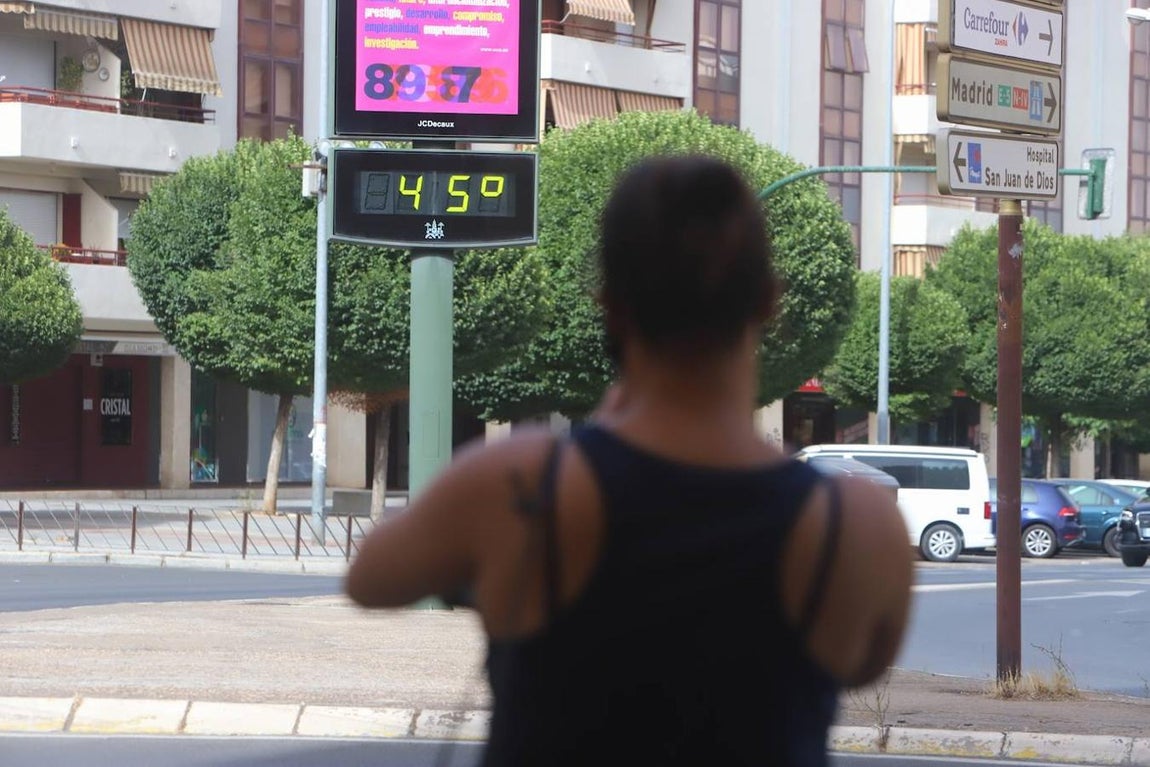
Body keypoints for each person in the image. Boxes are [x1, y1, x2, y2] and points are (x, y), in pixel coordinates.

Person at [345, 154, 914, 766]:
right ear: (769, 302)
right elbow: (859, 665)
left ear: (609, 304)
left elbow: (372, 579)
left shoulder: (526, 485)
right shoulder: (854, 524)